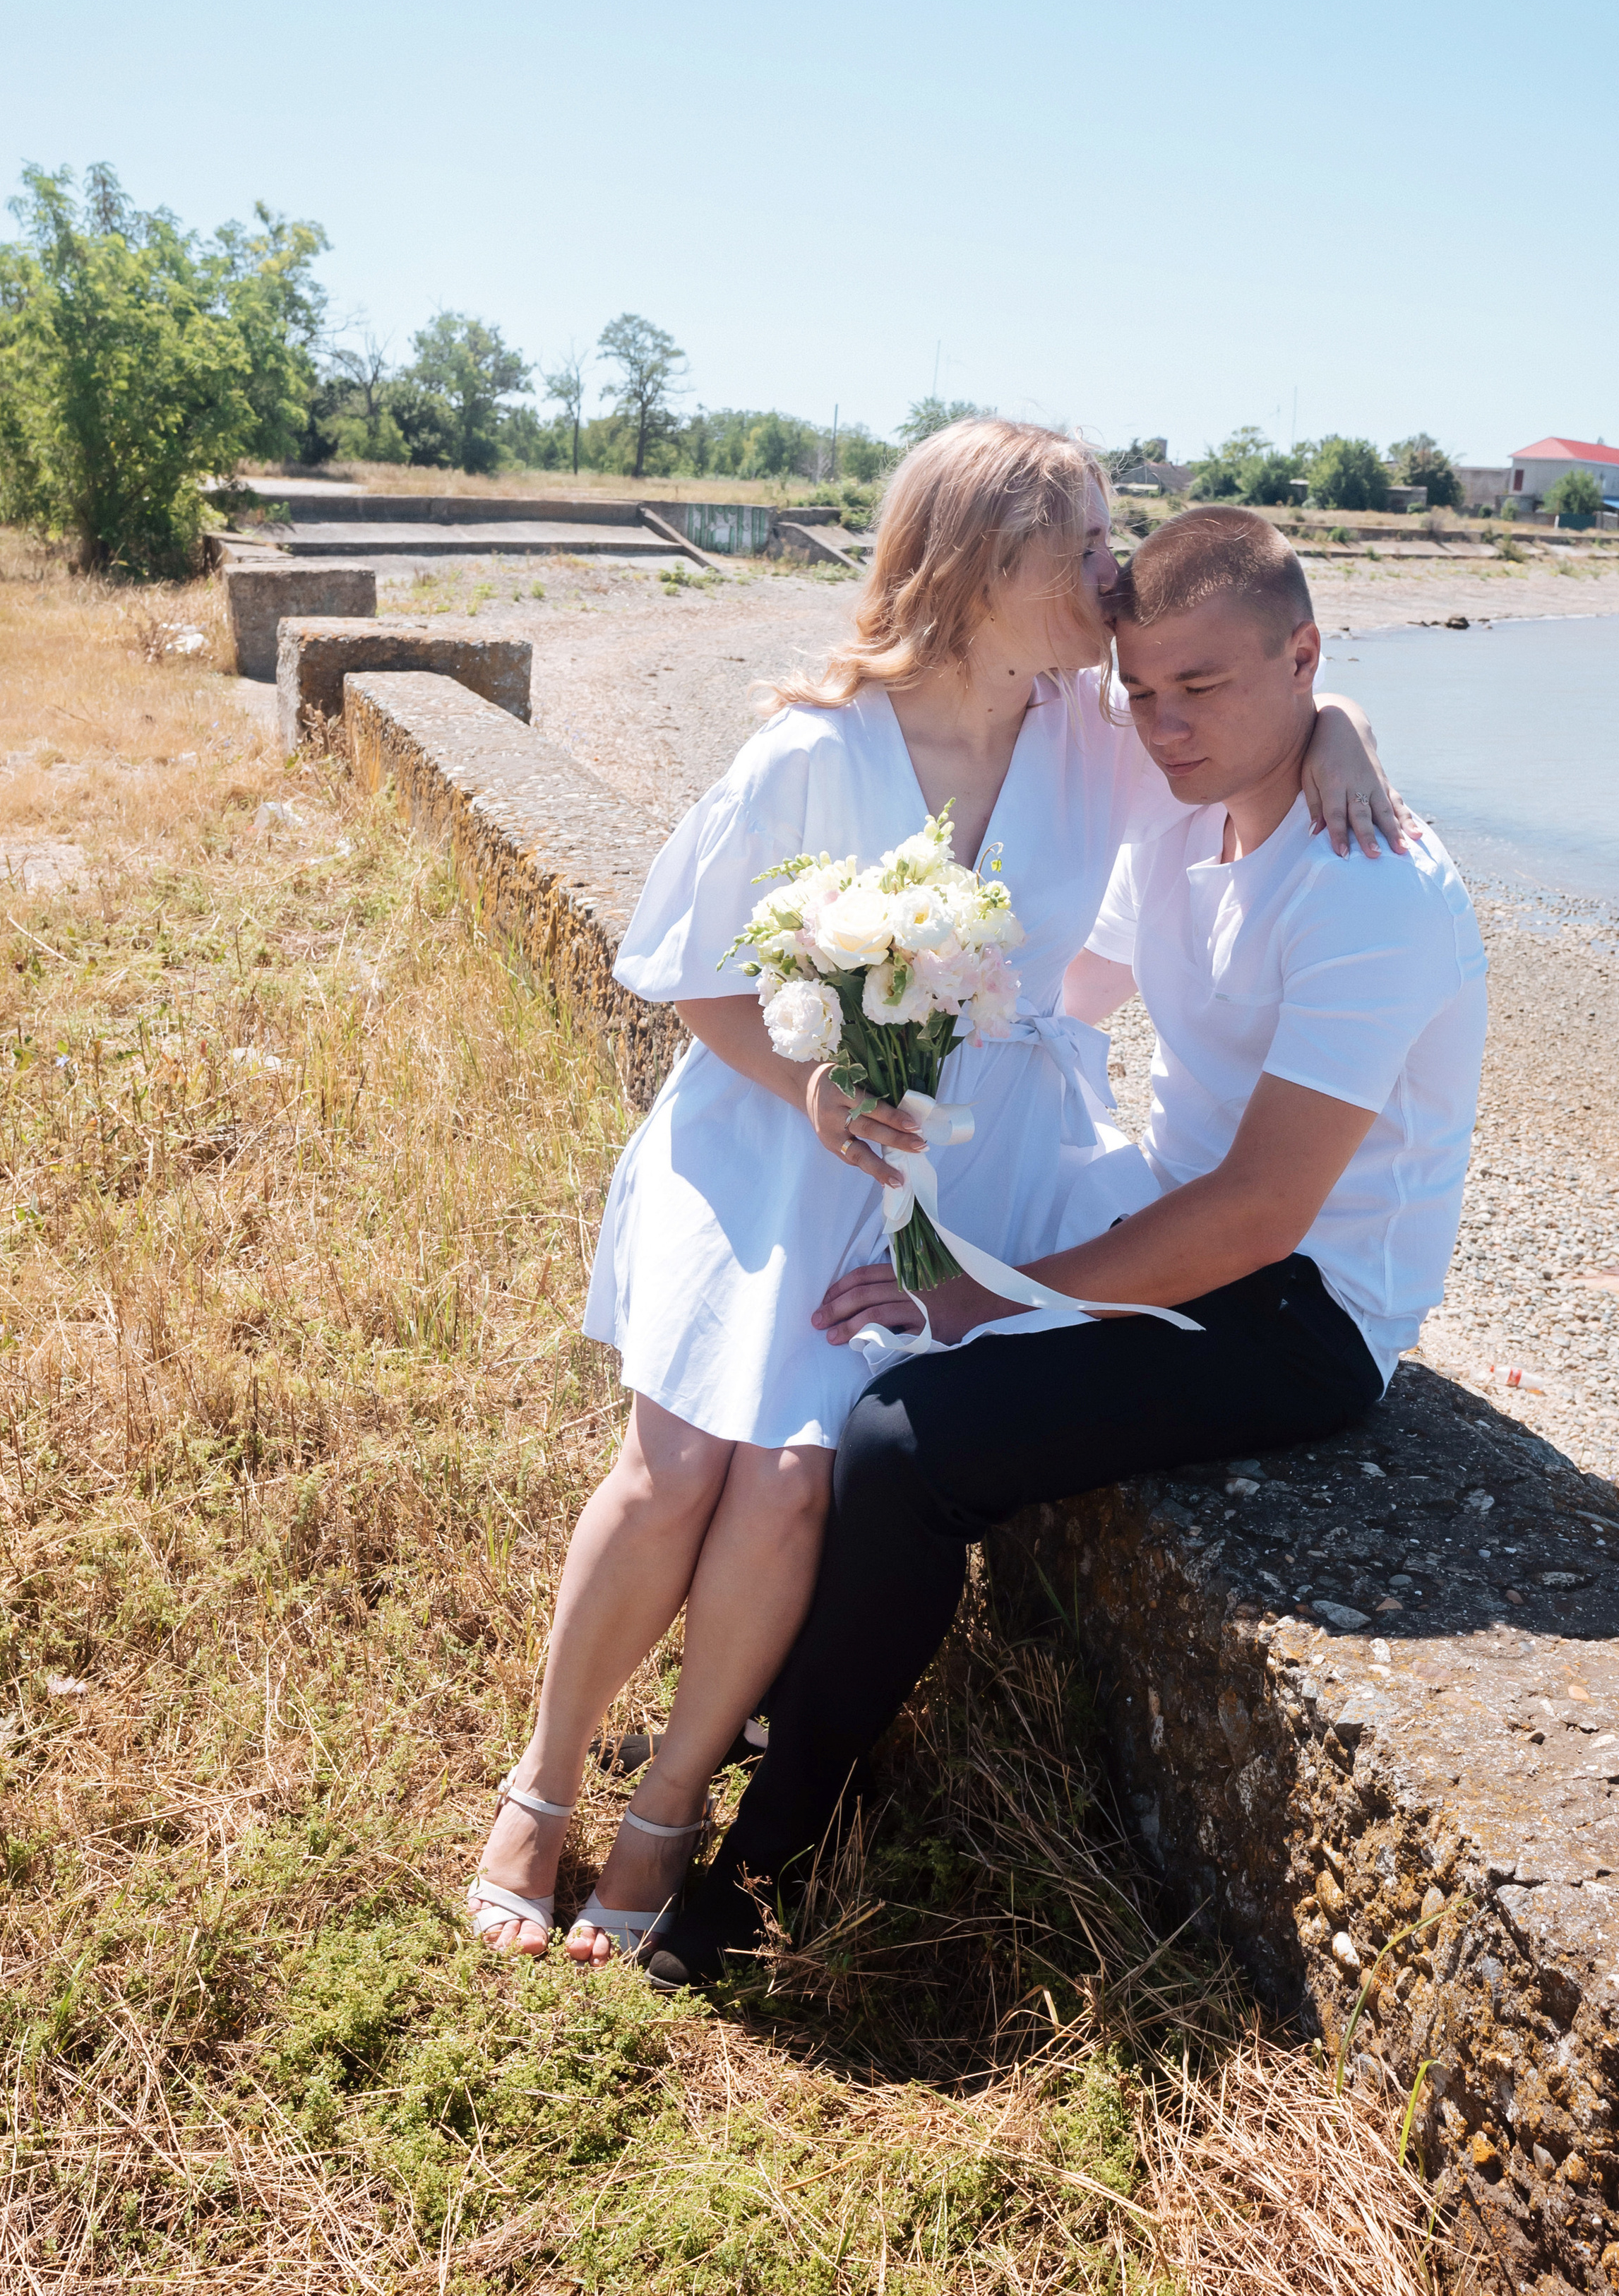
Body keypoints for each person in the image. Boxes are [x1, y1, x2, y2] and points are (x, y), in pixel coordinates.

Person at [465, 443, 1409, 1960]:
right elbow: (693, 970)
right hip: (777, 1141)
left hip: (972, 1157)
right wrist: (818, 1095)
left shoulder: (1095, 730)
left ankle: (668, 1810)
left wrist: (1348, 730)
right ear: (985, 564)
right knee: (680, 1462)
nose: (1113, 571)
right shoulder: (812, 749)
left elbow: (1250, 714)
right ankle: (544, 1784)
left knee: (787, 1480)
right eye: (1088, 544)